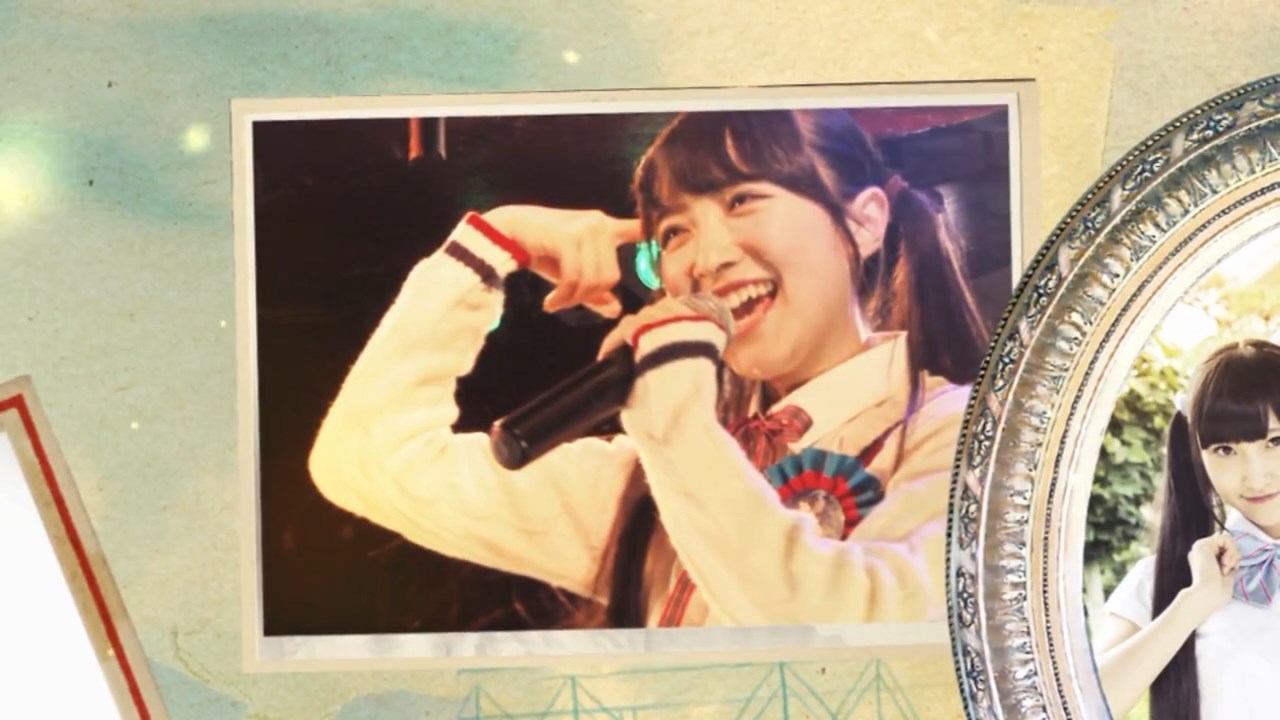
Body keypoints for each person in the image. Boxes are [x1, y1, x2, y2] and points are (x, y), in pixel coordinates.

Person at [307, 109, 991, 630]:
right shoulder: (648, 480)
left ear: (863, 221)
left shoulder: (966, 438)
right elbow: (367, 459)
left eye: (742, 200)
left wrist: (675, 422)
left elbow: (848, 630)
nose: (706, 259)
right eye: (674, 232)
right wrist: (495, 242)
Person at [1094, 338, 1280, 720]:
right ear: (1197, 455)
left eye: (1275, 441)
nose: (1256, 476)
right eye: (1225, 449)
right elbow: (1073, 705)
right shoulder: (1161, 580)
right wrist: (1193, 604)